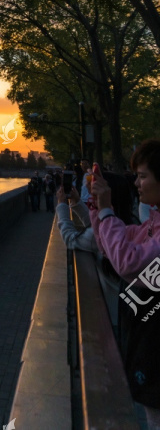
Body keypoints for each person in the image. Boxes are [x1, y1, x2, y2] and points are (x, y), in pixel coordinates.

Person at [90, 141, 160, 429]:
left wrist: (106, 212)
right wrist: (98, 209)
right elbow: (115, 243)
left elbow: (128, 262)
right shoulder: (153, 223)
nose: (136, 183)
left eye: (143, 176)